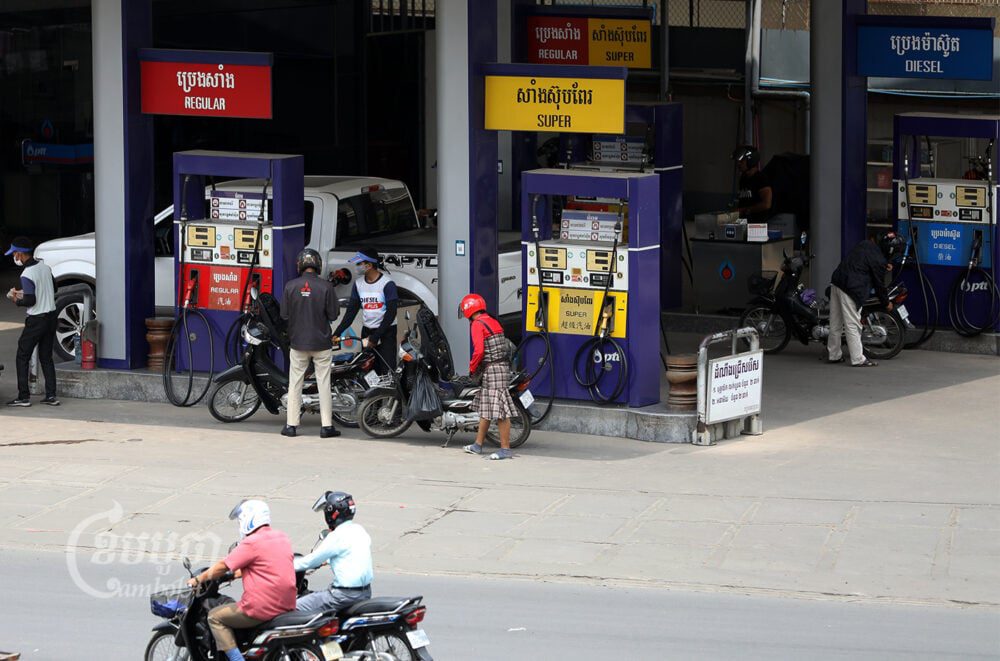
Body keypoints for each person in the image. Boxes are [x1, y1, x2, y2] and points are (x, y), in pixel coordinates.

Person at [187, 500, 296, 661]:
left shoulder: (251, 542)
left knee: (214, 616)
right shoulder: (280, 536)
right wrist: (238, 573)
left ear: (248, 518)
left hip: (261, 608)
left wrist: (198, 579)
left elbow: (223, 566)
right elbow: (264, 565)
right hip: (287, 604)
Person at [280, 248, 340, 439]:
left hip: (298, 342)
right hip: (321, 343)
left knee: (295, 383)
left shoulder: (290, 286)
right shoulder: (326, 287)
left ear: (300, 265)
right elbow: (333, 314)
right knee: (324, 383)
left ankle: (291, 425)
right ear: (318, 265)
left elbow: (284, 315)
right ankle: (326, 426)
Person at [826, 232, 903, 367]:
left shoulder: (866, 244)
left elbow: (865, 261)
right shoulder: (879, 261)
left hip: (837, 281)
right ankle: (857, 358)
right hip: (851, 288)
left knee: (835, 322)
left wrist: (884, 264)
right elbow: (880, 286)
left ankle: (834, 355)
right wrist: (887, 303)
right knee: (852, 324)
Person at [294, 491, 373, 613]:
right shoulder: (360, 530)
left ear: (331, 513)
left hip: (342, 596)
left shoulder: (336, 536)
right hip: (365, 593)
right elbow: (350, 557)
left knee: (294, 606)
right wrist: (330, 560)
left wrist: (285, 566)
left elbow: (309, 561)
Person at [459, 293, 516, 461]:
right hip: (499, 367)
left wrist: (472, 368)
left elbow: (479, 351)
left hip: (493, 370)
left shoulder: (477, 324)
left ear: (468, 310)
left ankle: (505, 449)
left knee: (500, 412)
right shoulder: (491, 320)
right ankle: (478, 445)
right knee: (486, 409)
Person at [5, 237, 58, 407]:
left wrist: (16, 299)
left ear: (20, 253)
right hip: (51, 317)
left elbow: (31, 300)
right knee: (46, 357)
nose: (14, 257)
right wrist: (24, 293)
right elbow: (53, 288)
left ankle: (23, 397)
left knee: (22, 355)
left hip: (36, 320)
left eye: (14, 253)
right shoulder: (45, 267)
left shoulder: (26, 274)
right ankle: (51, 396)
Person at [332, 248, 398, 375]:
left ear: (369, 265)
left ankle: (390, 394)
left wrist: (376, 337)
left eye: (359, 264)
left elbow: (391, 314)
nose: (356, 267)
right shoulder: (358, 284)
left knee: (387, 370)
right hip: (367, 332)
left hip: (386, 332)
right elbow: (351, 312)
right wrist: (337, 333)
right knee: (368, 370)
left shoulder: (387, 284)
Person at [732, 145, 810, 228]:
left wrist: (745, 210)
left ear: (751, 161)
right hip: (744, 223)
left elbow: (766, 204)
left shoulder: (761, 179)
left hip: (757, 225)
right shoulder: (743, 179)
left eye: (742, 161)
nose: (739, 164)